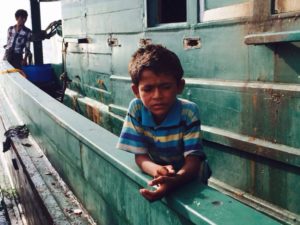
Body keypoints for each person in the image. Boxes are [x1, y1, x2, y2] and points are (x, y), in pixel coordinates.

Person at [117, 44, 211, 202]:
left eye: (166, 87)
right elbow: (140, 156)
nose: (157, 96)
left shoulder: (188, 112)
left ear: (179, 86)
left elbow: (193, 161)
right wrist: (158, 170)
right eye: (148, 89)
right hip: (163, 173)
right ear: (136, 91)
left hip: (190, 175)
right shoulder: (137, 109)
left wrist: (175, 181)